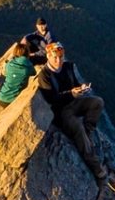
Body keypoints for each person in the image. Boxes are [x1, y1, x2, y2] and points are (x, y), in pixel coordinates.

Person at [37, 41, 106, 182]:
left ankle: (88, 131)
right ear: (48, 57)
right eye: (55, 57)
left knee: (97, 102)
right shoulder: (44, 75)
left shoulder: (68, 67)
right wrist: (71, 94)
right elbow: (52, 99)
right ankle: (95, 165)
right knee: (77, 128)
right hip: (61, 111)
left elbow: (75, 83)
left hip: (75, 102)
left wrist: (82, 88)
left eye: (61, 57)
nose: (58, 61)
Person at [0, 42, 36, 108]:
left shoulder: (8, 64)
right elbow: (34, 73)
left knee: (4, 81)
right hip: (12, 100)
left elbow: (4, 73)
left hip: (1, 97)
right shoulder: (28, 66)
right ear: (27, 53)